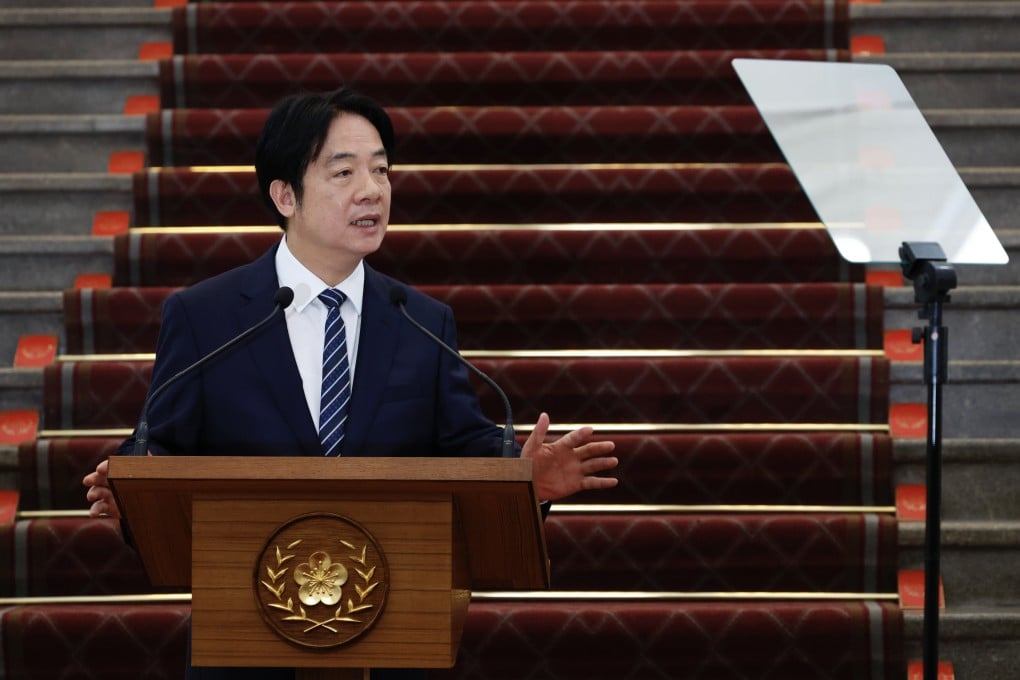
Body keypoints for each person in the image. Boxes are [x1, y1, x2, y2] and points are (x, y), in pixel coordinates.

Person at [83, 88, 618, 679]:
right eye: (344, 172)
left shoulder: (420, 320)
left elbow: (464, 448)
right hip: (246, 648)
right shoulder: (207, 316)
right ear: (285, 195)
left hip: (391, 643)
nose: (373, 190)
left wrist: (524, 476)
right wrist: (133, 481)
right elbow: (159, 442)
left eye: (382, 170)